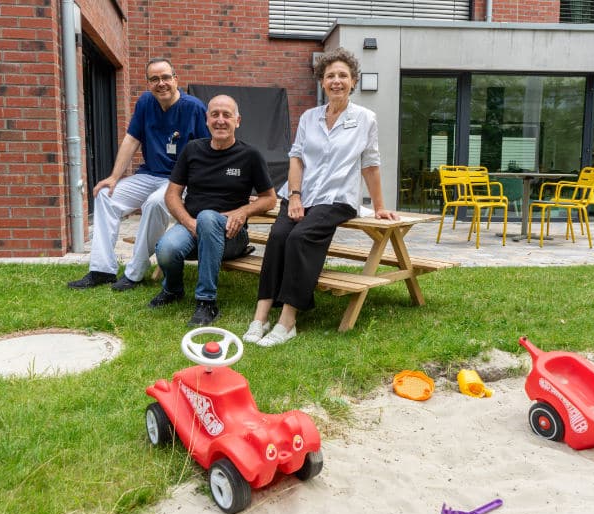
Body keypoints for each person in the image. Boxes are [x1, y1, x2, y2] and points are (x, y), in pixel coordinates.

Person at [243, 47, 398, 347]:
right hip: (301, 194)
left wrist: (379, 206)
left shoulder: (365, 118)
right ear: (322, 82)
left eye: (343, 75)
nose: (336, 81)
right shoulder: (309, 117)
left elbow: (370, 164)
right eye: (330, 76)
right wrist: (295, 196)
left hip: (337, 198)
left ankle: (287, 321)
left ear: (353, 81)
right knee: (278, 238)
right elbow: (296, 158)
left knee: (300, 238)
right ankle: (260, 317)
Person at [68, 58, 210, 291]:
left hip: (180, 181)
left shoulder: (194, 108)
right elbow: (132, 139)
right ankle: (102, 270)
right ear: (148, 84)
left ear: (176, 79)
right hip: (150, 174)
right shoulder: (145, 102)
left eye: (166, 77)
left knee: (155, 203)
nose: (161, 83)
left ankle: (134, 273)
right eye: (154, 79)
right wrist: (114, 177)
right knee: (105, 195)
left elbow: (207, 151)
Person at [149, 94, 277, 326]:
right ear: (207, 120)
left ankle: (206, 302)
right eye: (215, 115)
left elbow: (269, 199)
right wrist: (189, 222)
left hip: (232, 235)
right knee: (166, 249)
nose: (220, 120)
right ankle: (173, 290)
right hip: (193, 227)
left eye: (226, 115)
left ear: (237, 121)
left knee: (208, 217)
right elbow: (172, 195)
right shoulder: (192, 150)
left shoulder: (250, 155)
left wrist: (242, 212)